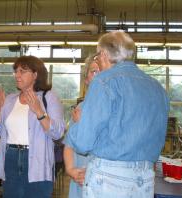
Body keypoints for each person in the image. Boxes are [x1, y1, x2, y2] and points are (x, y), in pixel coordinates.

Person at [66, 30, 169, 198]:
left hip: (108, 178)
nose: (97, 61)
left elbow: (83, 144)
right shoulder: (158, 88)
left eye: (97, 56)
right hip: (145, 179)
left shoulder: (103, 81)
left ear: (104, 54)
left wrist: (79, 123)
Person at [0, 55, 65, 198]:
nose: (17, 75)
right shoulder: (10, 99)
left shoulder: (48, 97)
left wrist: (39, 111)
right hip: (10, 157)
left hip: (37, 160)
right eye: (15, 71)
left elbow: (58, 133)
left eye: (22, 71)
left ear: (35, 74)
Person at [63, 53, 100, 198]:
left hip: (104, 179)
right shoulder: (80, 108)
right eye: (94, 71)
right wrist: (71, 170)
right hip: (79, 179)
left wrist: (83, 125)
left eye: (102, 71)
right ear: (86, 80)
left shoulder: (114, 108)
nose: (98, 75)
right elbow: (68, 145)